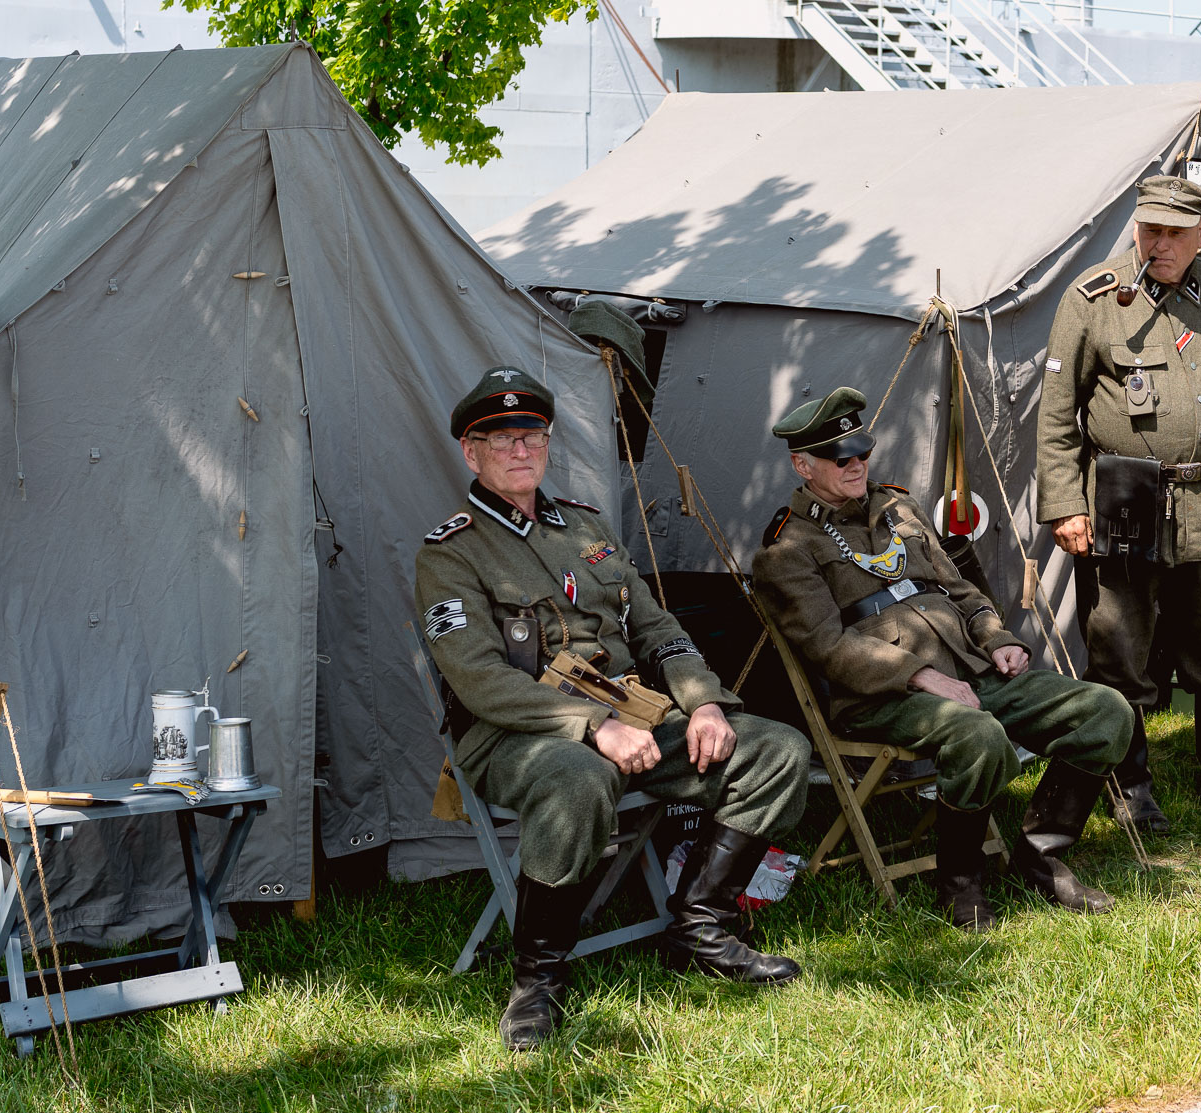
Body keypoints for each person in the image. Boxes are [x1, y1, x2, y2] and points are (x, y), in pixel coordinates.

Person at [415, 366, 813, 1052]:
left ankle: (699, 925)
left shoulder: (587, 529)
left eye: (531, 435)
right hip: (517, 732)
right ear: (469, 452)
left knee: (777, 750)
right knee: (580, 778)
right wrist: (594, 727)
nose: (519, 449)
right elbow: (479, 681)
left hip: (634, 717)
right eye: (499, 437)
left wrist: (706, 703)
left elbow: (659, 632)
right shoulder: (451, 554)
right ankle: (537, 979)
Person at [755, 388, 1133, 932]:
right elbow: (828, 647)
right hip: (883, 697)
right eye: (842, 459)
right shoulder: (787, 548)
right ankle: (961, 879)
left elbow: (962, 591)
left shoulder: (898, 508)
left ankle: (1040, 853)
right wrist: (922, 676)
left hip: (971, 671)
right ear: (803, 465)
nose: (858, 464)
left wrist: (997, 638)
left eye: (862, 452)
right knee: (977, 737)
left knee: (1106, 711)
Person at [1035, 174, 1201, 836]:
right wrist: (1067, 505)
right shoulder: (1093, 299)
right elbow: (1058, 414)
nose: (1161, 244)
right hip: (1126, 497)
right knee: (1121, 647)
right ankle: (1130, 786)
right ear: (1136, 227)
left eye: (1175, 234)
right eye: (1150, 230)